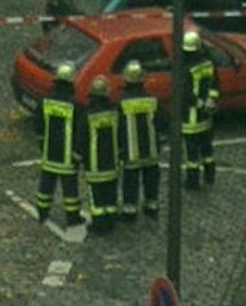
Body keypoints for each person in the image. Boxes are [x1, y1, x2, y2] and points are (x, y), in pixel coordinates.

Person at [35, 64, 84, 226]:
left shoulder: (45, 102)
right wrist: (77, 155)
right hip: (68, 158)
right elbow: (80, 133)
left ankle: (42, 213)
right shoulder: (75, 106)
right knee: (70, 192)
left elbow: (39, 127)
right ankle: (72, 218)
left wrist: (42, 145)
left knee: (46, 187)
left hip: (49, 154)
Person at [118, 58, 162, 219]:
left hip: (131, 152)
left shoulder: (123, 101)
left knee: (130, 182)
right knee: (151, 180)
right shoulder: (152, 99)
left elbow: (120, 128)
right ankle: (152, 206)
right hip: (151, 150)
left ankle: (130, 211)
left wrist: (119, 148)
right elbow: (161, 122)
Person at [82, 76, 122, 234]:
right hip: (112, 163)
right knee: (111, 195)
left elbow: (82, 140)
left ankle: (99, 225)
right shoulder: (114, 114)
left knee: (97, 199)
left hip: (94, 166)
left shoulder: (88, 116)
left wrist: (78, 158)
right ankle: (111, 222)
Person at [181, 29, 219, 190]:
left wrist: (200, 104)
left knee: (192, 154)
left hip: (191, 119)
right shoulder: (208, 63)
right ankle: (210, 176)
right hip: (207, 117)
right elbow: (215, 84)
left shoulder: (186, 69)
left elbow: (186, 95)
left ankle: (192, 181)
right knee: (207, 149)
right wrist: (211, 100)